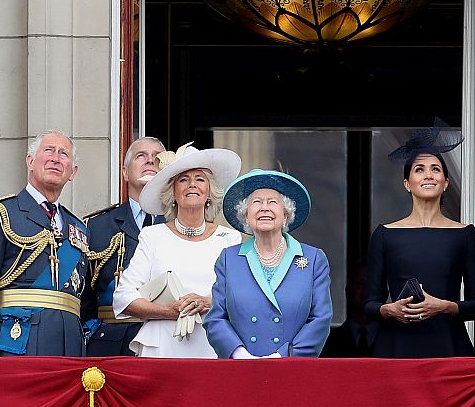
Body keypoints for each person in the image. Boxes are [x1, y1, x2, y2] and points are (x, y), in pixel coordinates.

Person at [364, 121, 475, 358]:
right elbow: (370, 305)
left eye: (436, 169)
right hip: (396, 346)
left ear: (446, 183)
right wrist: (390, 310)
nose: (428, 175)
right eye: (419, 169)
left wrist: (446, 306)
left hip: (448, 345)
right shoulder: (385, 234)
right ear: (407, 184)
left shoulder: (465, 234)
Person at [0, 130, 89, 357]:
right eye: (48, 150)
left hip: (70, 347)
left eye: (64, 154)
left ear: (73, 172)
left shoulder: (78, 228)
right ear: (30, 161)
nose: (55, 158)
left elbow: (83, 299)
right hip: (17, 343)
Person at [112, 143, 242, 357]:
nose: (192, 185)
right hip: (162, 345)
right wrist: (168, 311)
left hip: (211, 344)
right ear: (173, 192)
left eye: (200, 179)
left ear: (209, 191)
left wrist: (206, 302)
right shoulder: (152, 236)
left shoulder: (229, 238)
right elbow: (124, 298)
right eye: (183, 180)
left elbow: (239, 296)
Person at [205, 169, 332, 358]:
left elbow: (320, 319)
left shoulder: (313, 259)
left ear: (286, 214)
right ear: (246, 216)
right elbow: (215, 318)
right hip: (242, 368)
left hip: (292, 368)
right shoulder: (228, 259)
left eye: (272, 202)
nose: (264, 208)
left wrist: (283, 356)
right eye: (256, 202)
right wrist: (239, 354)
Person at [82, 137, 167, 356]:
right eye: (141, 156)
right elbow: (83, 294)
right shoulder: (96, 226)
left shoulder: (180, 224)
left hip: (169, 338)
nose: (150, 161)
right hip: (111, 343)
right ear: (125, 172)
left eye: (157, 158)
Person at [320, 259, 377, 357]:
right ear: (348, 291)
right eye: (360, 284)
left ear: (385, 293)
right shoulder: (327, 340)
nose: (366, 290)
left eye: (372, 285)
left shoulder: (394, 339)